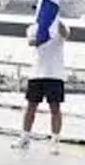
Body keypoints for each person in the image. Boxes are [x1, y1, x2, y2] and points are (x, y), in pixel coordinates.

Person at [16, 15, 70, 155]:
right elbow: (32, 42)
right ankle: (25, 137)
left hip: (55, 74)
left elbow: (66, 34)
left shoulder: (60, 26)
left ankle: (55, 141)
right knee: (31, 107)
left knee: (55, 109)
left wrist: (56, 19)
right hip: (37, 73)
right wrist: (44, 30)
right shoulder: (33, 28)